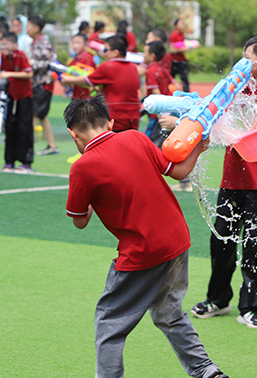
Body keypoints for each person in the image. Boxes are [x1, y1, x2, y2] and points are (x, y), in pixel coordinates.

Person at [64, 95, 229, 378]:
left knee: (109, 321)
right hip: (177, 239)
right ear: (111, 122)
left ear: (73, 133)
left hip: (142, 250)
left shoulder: (82, 166)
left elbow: (79, 221)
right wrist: (199, 147)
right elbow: (177, 171)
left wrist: (90, 199)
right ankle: (206, 370)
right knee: (169, 312)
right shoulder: (134, 137)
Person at [191, 35, 257, 329]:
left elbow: (248, 132)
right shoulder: (232, 92)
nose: (241, 64)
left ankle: (252, 307)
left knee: (255, 246)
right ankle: (218, 298)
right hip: (232, 180)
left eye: (248, 59)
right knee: (221, 241)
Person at [59, 35, 140, 132]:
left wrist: (69, 80)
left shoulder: (108, 66)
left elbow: (87, 80)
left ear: (115, 52)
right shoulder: (133, 67)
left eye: (105, 50)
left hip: (116, 118)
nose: (103, 53)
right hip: (133, 117)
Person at [0, 31, 34, 172]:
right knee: (10, 128)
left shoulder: (20, 55)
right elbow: (1, 72)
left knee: (24, 128)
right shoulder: (3, 56)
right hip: (11, 96)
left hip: (24, 97)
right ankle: (9, 161)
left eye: (6, 44)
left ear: (14, 45)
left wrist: (11, 74)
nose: (3, 47)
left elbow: (29, 73)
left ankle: (26, 162)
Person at [26, 15, 59, 156]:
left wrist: (31, 64)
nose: (26, 29)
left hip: (43, 83)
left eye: (28, 26)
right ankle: (52, 145)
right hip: (37, 83)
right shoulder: (34, 42)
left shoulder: (44, 42)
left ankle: (25, 147)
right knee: (41, 116)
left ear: (36, 28)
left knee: (33, 114)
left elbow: (50, 63)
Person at [143, 40, 175, 147]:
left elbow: (156, 93)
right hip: (167, 109)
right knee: (162, 140)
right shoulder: (163, 69)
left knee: (149, 142)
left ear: (152, 56)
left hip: (158, 113)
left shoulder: (151, 71)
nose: (143, 55)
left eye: (144, 53)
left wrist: (161, 113)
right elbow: (176, 85)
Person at [67, 33, 96, 100]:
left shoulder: (87, 57)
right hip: (77, 94)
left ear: (86, 44)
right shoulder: (74, 59)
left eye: (78, 43)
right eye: (73, 43)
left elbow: (89, 75)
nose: (75, 46)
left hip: (86, 95)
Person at [169, 18, 190, 92]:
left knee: (185, 80)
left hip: (182, 61)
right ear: (176, 25)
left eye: (183, 24)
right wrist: (183, 49)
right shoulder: (173, 35)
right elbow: (172, 50)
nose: (183, 25)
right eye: (181, 23)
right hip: (174, 62)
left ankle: (188, 96)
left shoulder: (183, 35)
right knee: (170, 79)